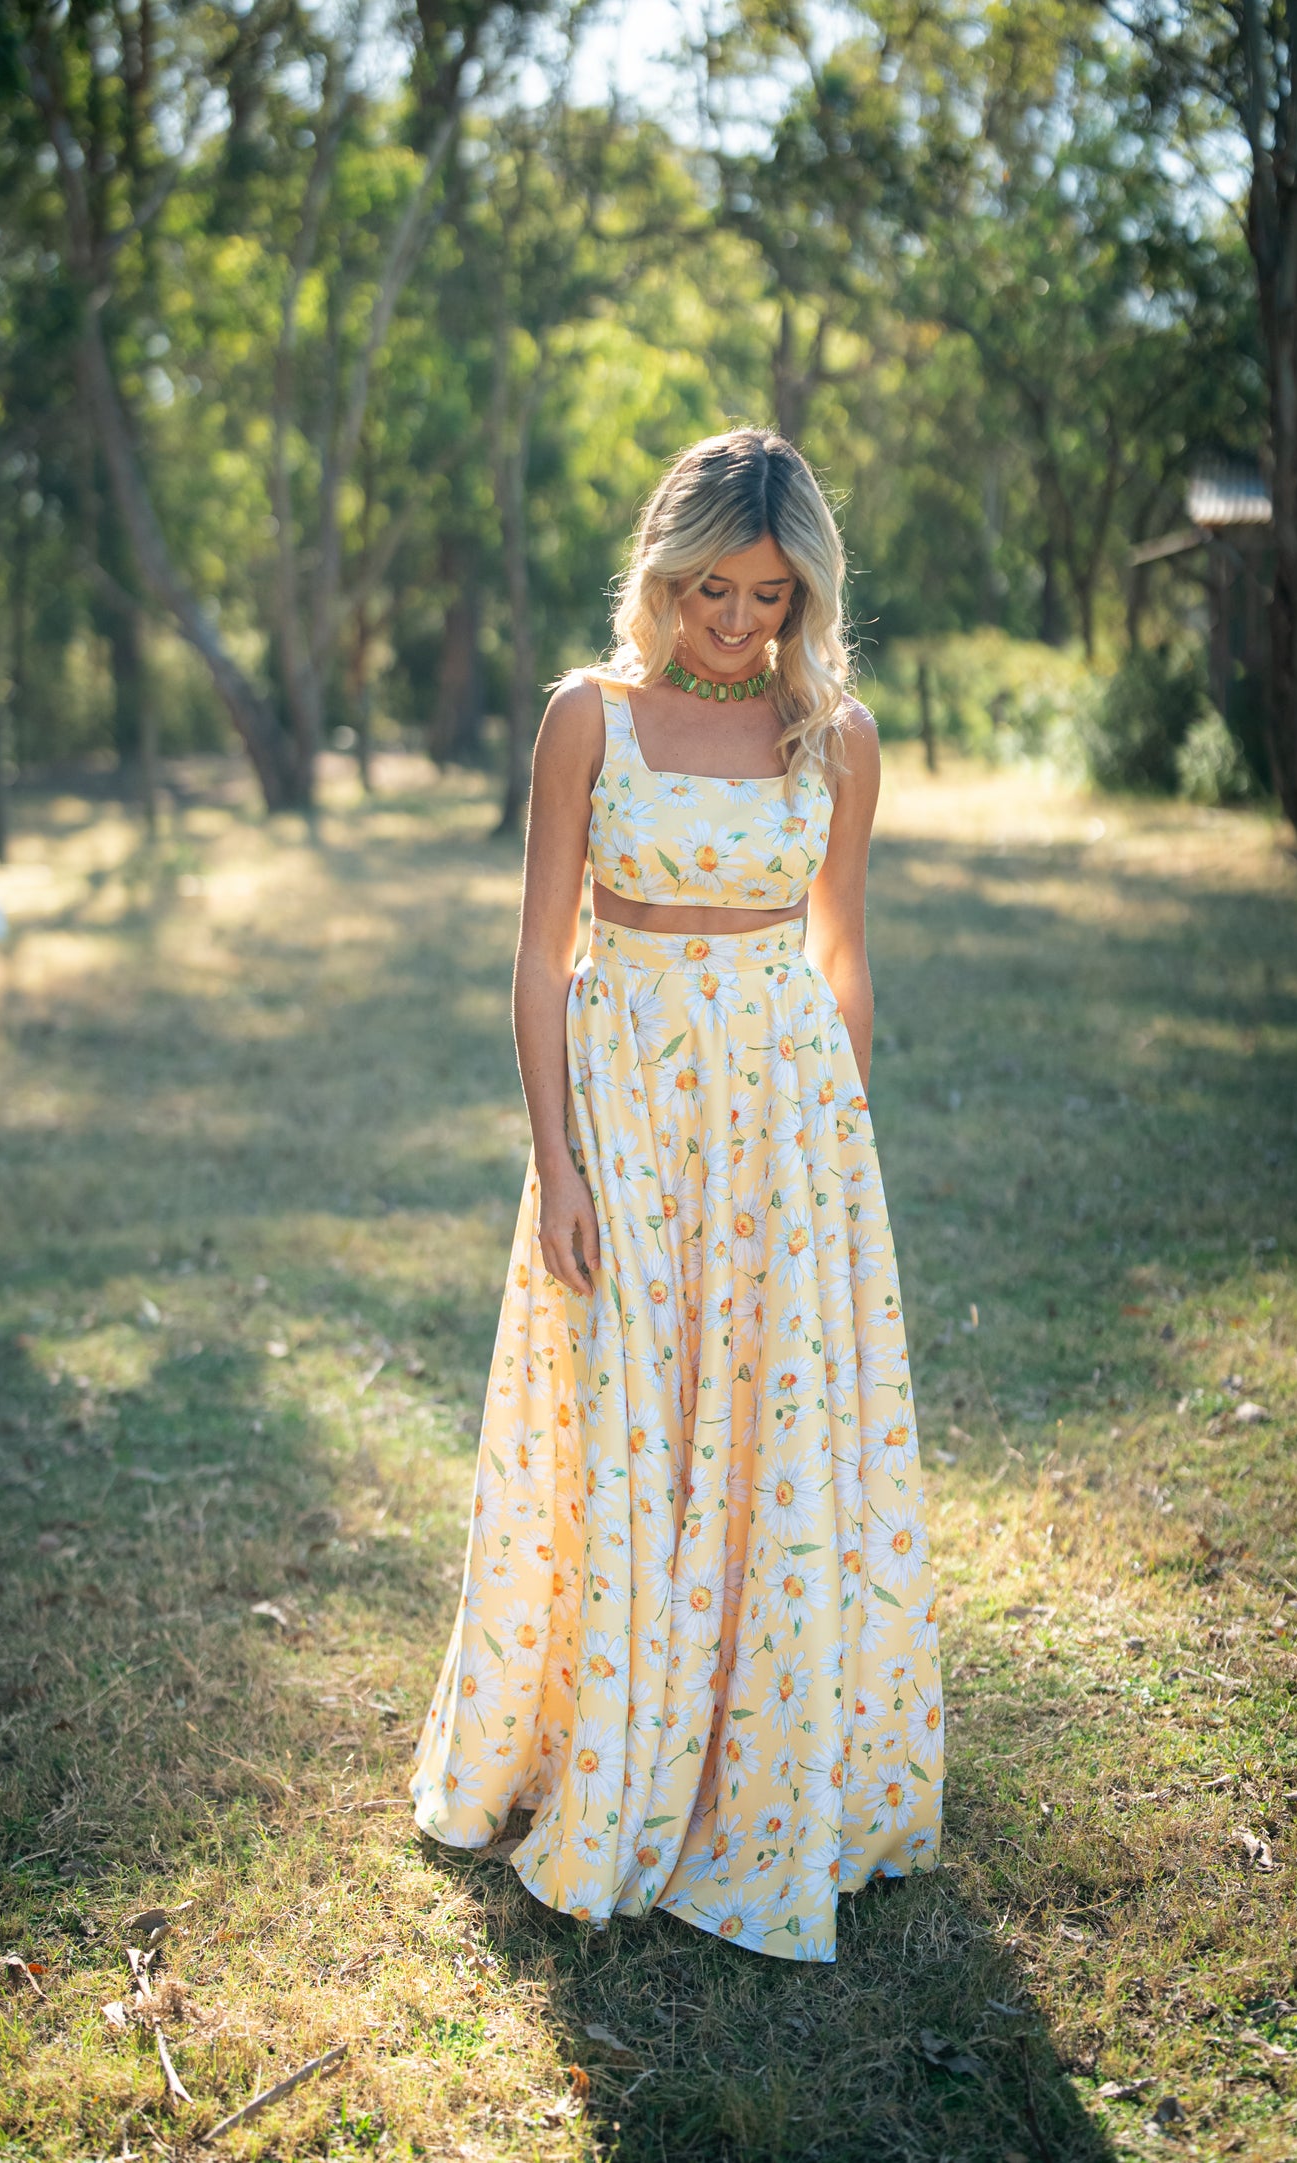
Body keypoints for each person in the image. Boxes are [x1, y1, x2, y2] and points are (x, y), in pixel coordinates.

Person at [411, 428, 942, 1960]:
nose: (736, 623)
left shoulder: (834, 737)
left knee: (770, 1442)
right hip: (627, 1118)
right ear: (662, 575)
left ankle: (759, 1773)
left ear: (804, 593)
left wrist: (837, 1155)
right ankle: (623, 1753)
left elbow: (840, 955)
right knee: (635, 1423)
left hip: (785, 1135)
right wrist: (556, 1163)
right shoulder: (589, 720)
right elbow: (540, 957)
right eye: (710, 589)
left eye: (768, 596)